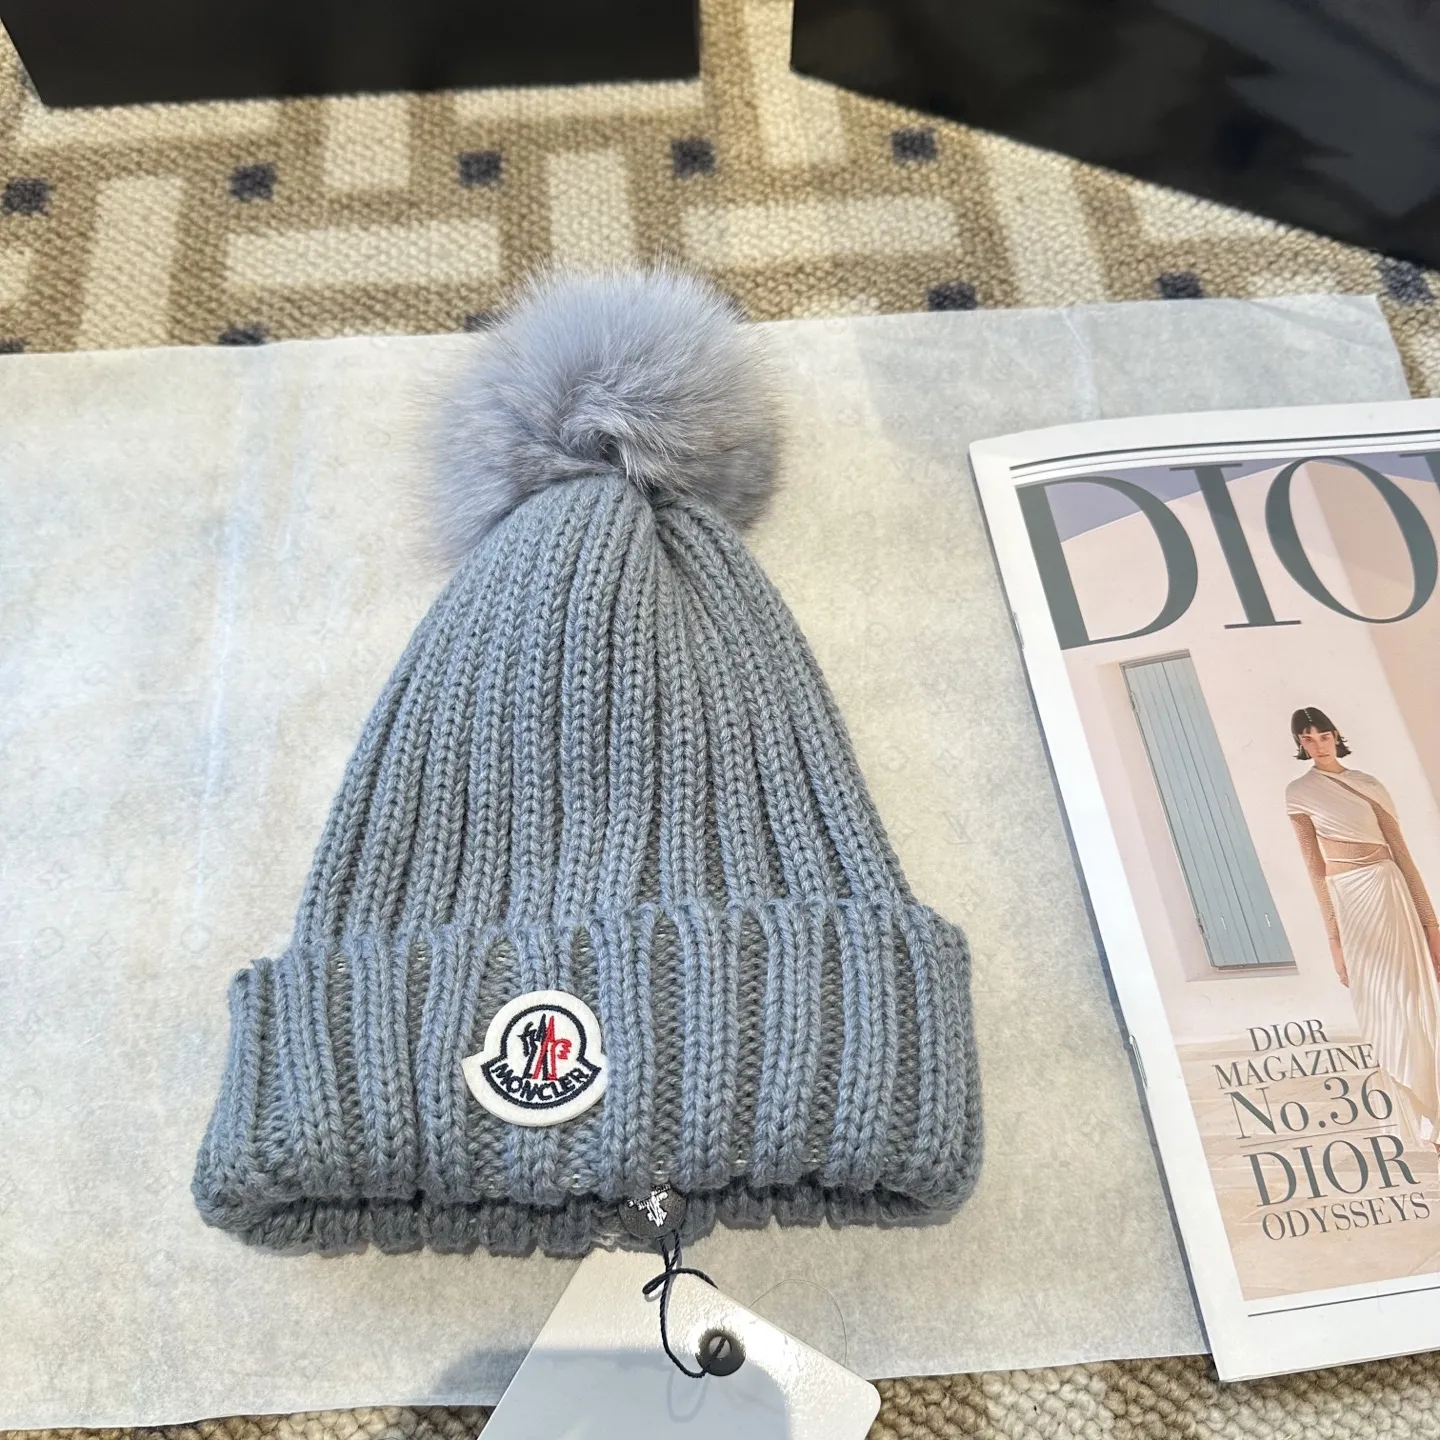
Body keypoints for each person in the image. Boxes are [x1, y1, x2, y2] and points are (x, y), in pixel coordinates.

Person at [1286, 706, 1440, 1145]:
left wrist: (1432, 926)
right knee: (1380, 1005)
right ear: (1300, 744)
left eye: (1323, 736)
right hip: (1349, 904)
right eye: (1308, 739)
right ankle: (1423, 1116)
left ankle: (1437, 1119)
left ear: (1336, 736)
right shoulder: (1298, 793)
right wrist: (1333, 939)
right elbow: (1315, 869)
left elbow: (1403, 855)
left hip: (1390, 893)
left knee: (1413, 1000)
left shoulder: (1369, 785)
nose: (1318, 745)